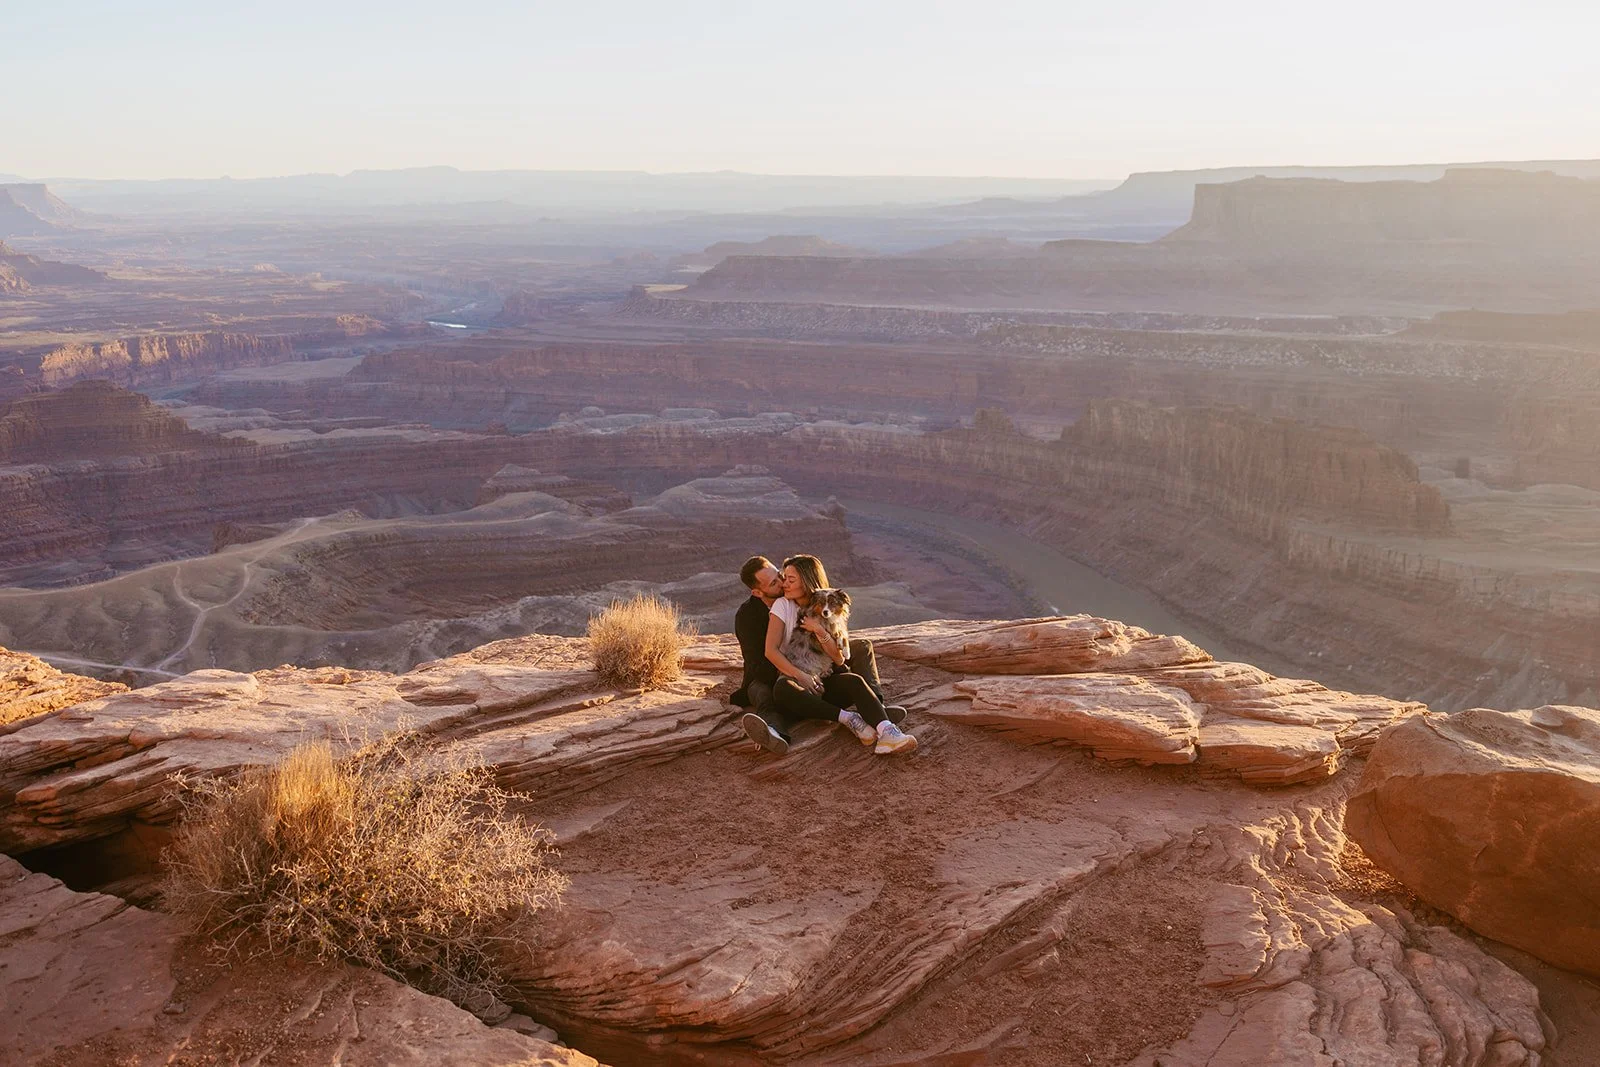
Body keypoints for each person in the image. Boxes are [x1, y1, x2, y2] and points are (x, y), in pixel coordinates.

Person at [766, 554, 917, 755]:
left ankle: (887, 732)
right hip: (800, 681)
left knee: (854, 680)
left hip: (825, 678)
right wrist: (800, 675)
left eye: (791, 579)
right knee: (782, 688)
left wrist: (819, 630)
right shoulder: (783, 605)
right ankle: (851, 719)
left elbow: (838, 659)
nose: (784, 584)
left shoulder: (831, 606)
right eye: (784, 578)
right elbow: (770, 650)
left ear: (808, 580)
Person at [730, 555, 791, 754]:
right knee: (763, 694)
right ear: (757, 592)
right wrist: (787, 670)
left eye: (779, 576)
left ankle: (878, 714)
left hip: (810, 666)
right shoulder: (747, 616)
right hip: (767, 676)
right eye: (774, 583)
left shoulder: (795, 597)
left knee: (861, 648)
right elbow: (755, 663)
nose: (783, 583)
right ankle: (774, 734)